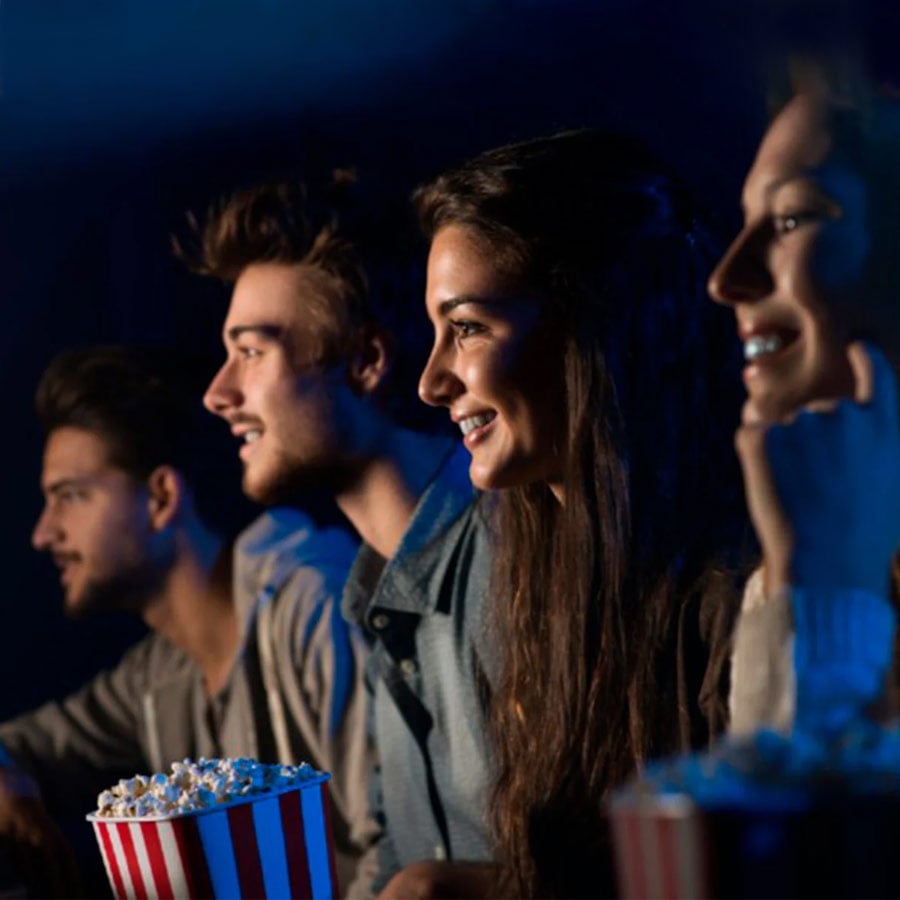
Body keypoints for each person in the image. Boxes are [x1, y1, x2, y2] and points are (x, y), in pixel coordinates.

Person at [415, 129, 748, 898]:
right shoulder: (539, 575)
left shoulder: (735, 591)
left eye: (467, 328)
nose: (431, 380)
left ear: (593, 326)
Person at [190, 179, 494, 898]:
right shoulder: (370, 594)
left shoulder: (515, 552)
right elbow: (397, 855)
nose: (218, 393)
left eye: (251, 351)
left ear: (366, 361)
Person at [0, 345, 371, 895]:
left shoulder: (313, 607)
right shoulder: (157, 674)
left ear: (161, 497)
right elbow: (26, 744)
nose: (43, 534)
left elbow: (403, 843)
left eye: (70, 497)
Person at [709, 59, 900, 735]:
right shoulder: (780, 559)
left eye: (791, 218)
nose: (725, 278)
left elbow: (800, 801)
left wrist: (823, 590)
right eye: (745, 222)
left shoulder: (811, 557)